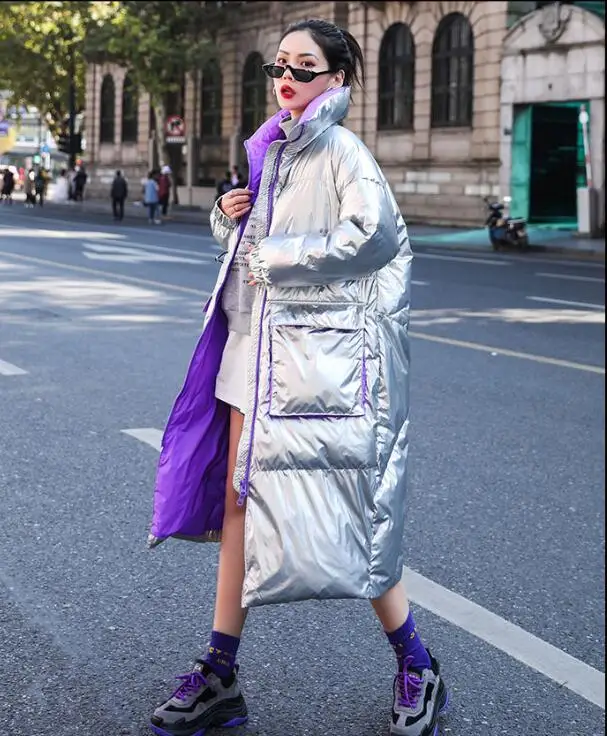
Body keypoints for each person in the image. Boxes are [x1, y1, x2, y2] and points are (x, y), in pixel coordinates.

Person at [148, 18, 448, 736]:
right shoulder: (275, 147)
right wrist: (229, 220)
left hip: (312, 371)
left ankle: (417, 663)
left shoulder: (341, 151)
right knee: (237, 505)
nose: (286, 77)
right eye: (281, 65)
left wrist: (274, 257)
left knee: (349, 514)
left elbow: (370, 237)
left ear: (337, 80)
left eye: (305, 67)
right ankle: (220, 670)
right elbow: (257, 248)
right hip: (250, 356)